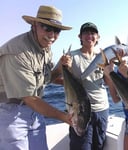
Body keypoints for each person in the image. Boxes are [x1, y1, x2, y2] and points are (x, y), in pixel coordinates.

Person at [0, 5, 72, 150]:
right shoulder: (17, 52)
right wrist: (65, 117)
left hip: (36, 111)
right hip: (11, 112)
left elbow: (44, 79)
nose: (52, 35)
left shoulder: (45, 47)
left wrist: (60, 68)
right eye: (47, 28)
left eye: (57, 30)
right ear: (34, 25)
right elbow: (29, 98)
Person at [59, 22, 110, 150]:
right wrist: (70, 80)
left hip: (102, 109)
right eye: (86, 33)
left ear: (98, 37)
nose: (89, 36)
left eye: (92, 33)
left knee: (99, 146)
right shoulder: (71, 57)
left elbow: (107, 82)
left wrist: (111, 71)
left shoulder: (102, 58)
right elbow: (53, 78)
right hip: (80, 110)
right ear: (80, 37)